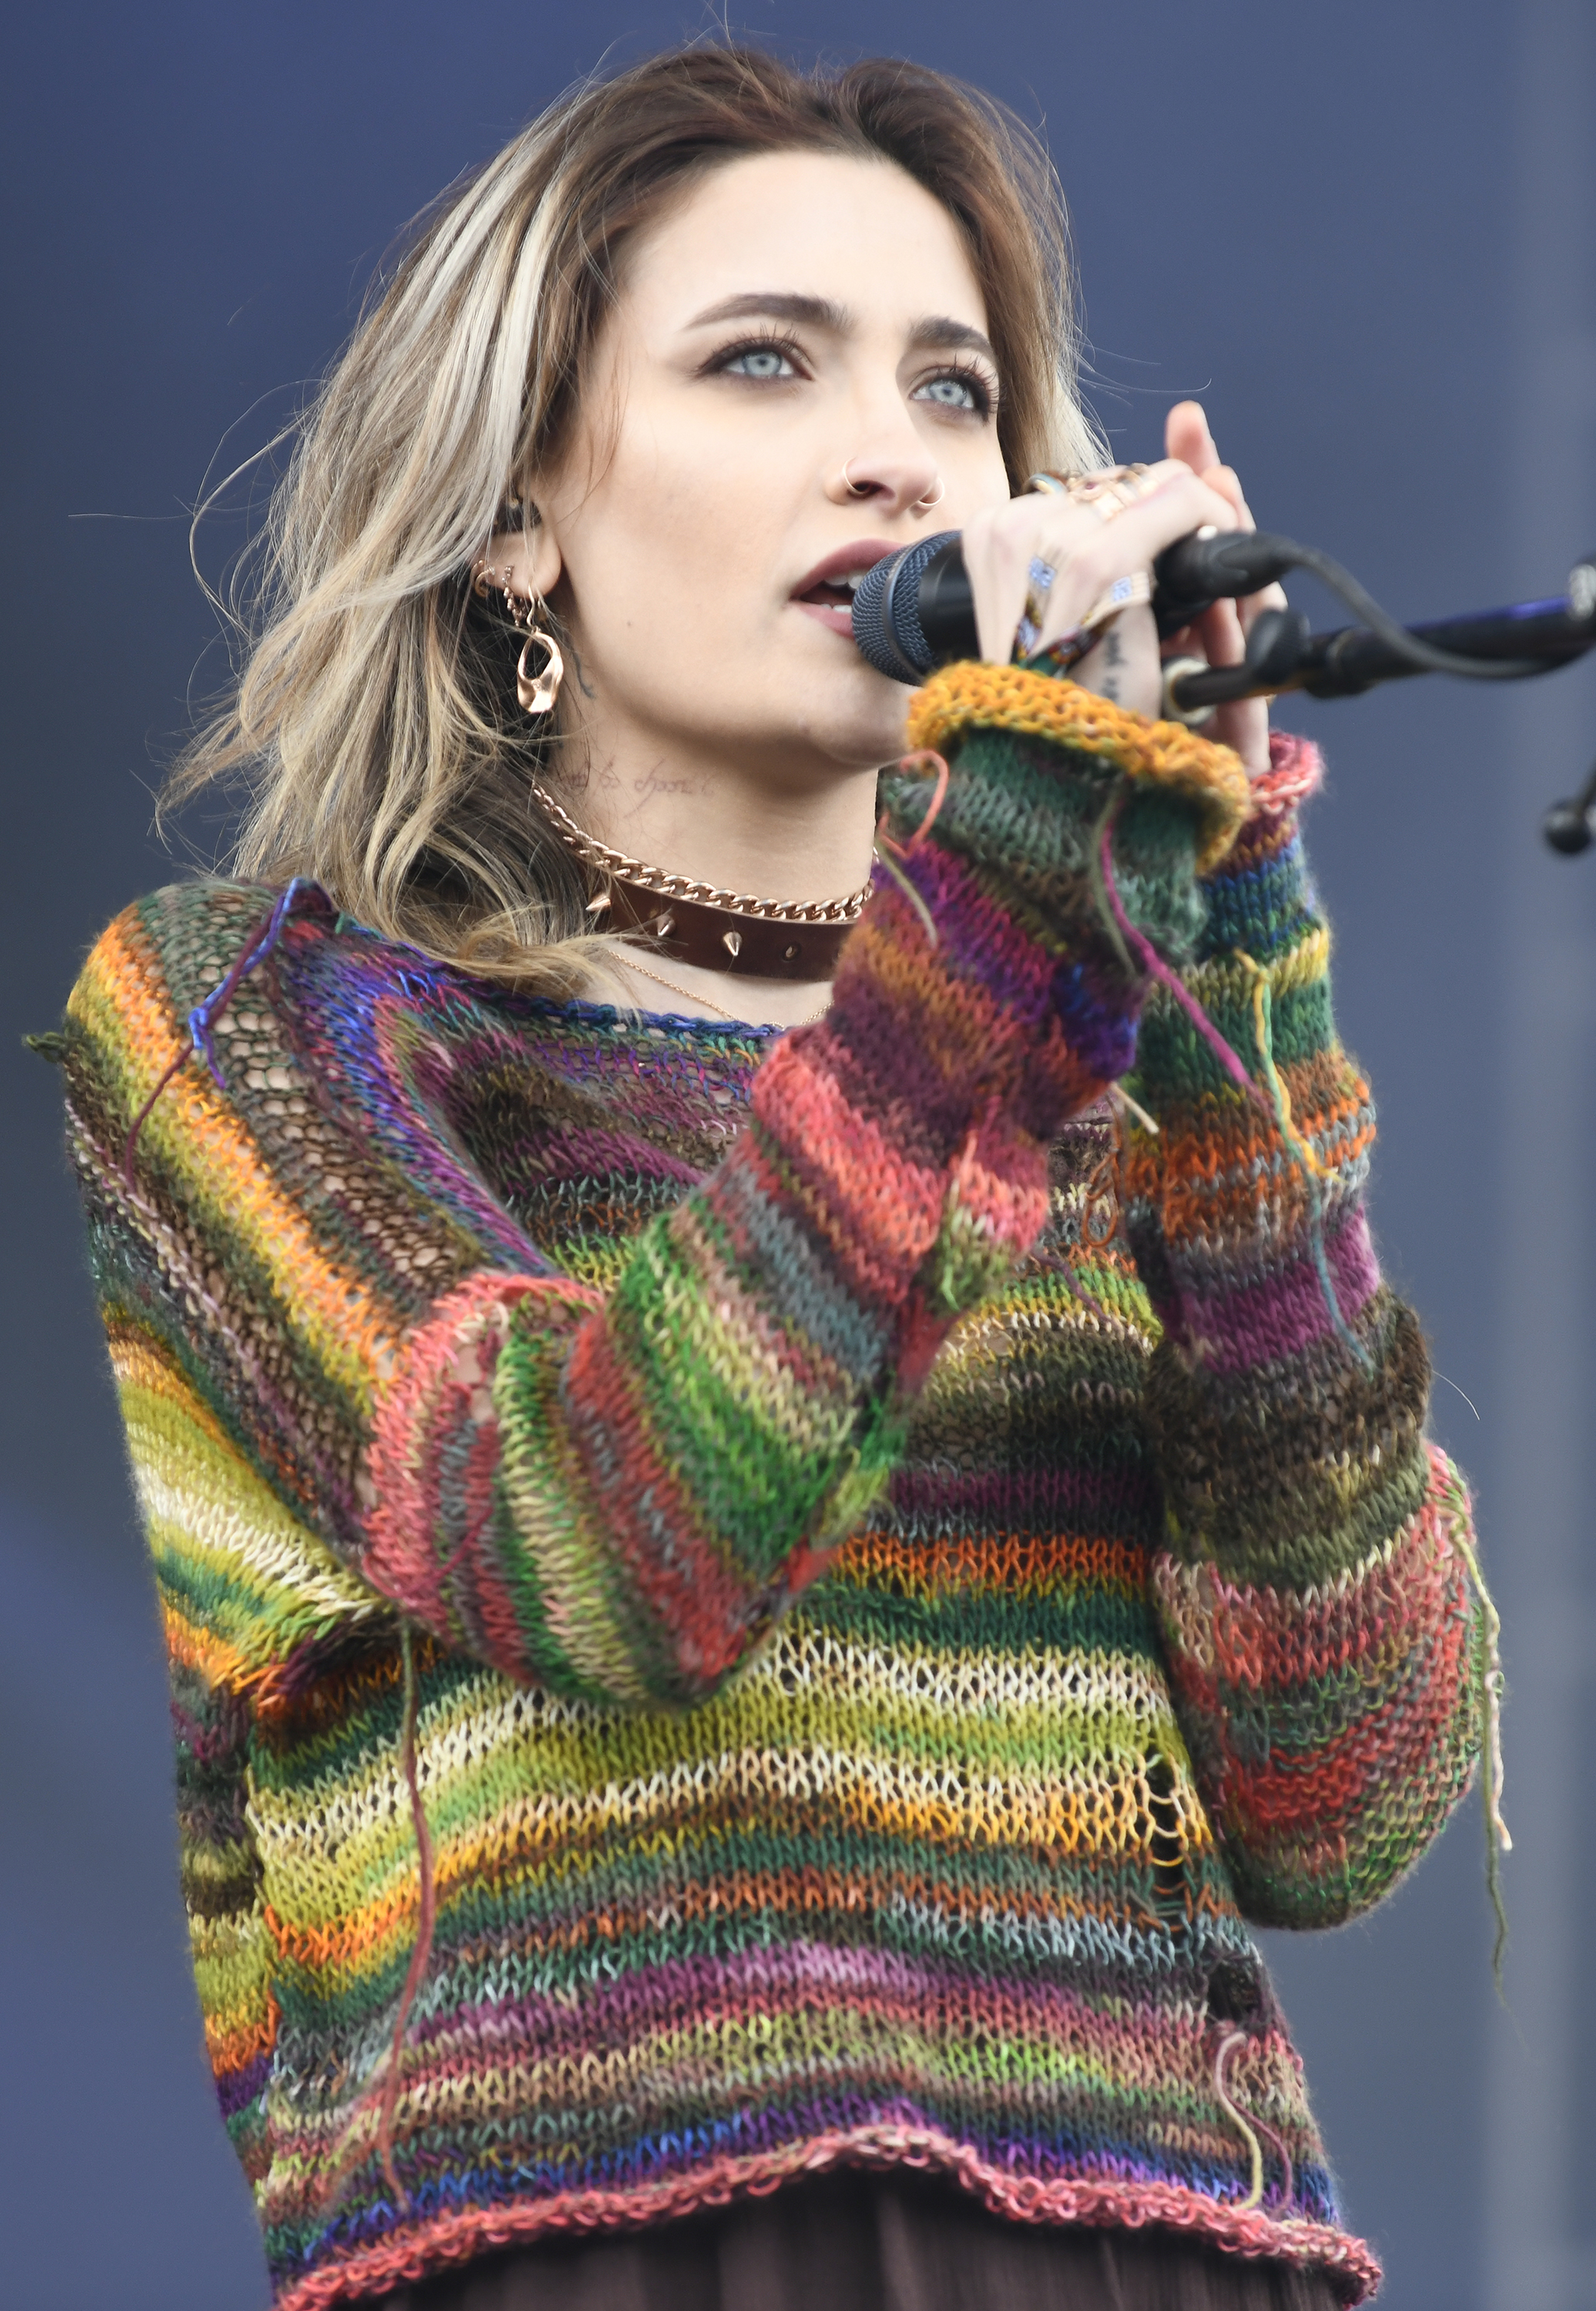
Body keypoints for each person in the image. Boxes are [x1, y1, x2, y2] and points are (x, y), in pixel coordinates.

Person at [58, 42, 1494, 2311]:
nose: (893, 456)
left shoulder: (1077, 1053)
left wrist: (1235, 947)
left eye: (954, 391)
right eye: (762, 362)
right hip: (604, 2252)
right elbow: (595, 1541)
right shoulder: (260, 1023)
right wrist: (1014, 854)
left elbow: (1348, 1794)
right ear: (520, 507)